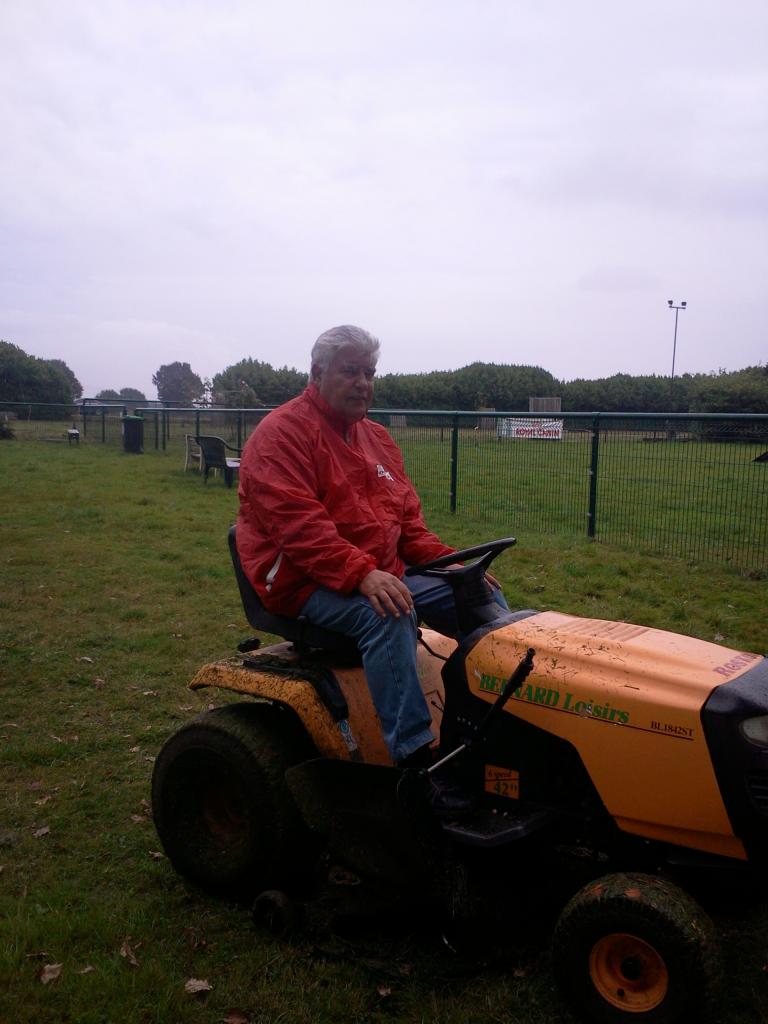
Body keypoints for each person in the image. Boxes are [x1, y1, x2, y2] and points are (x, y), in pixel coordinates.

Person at [236, 325, 507, 796]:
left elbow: (409, 528)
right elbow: (300, 528)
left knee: (479, 595)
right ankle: (415, 763)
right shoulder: (282, 435)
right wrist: (361, 573)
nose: (363, 382)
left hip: (376, 572)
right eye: (350, 371)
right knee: (389, 613)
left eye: (369, 372)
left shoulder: (377, 439)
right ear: (318, 373)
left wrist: (457, 568)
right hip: (300, 579)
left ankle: (493, 728)